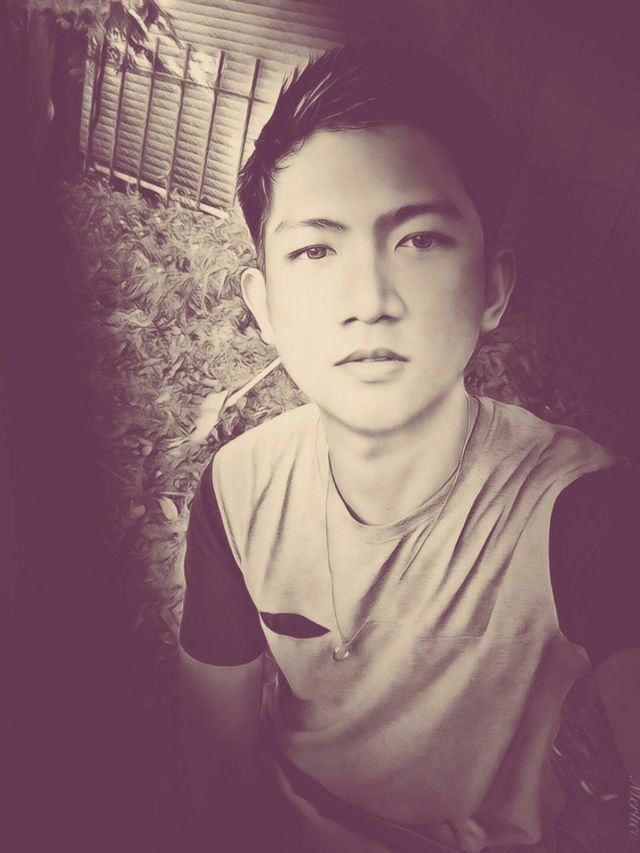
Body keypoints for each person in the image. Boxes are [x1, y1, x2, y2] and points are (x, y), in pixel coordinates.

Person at [177, 41, 639, 853]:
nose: (369, 300)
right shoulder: (239, 486)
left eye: (419, 239)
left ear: (491, 287)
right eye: (315, 249)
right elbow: (212, 764)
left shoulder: (581, 511)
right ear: (265, 306)